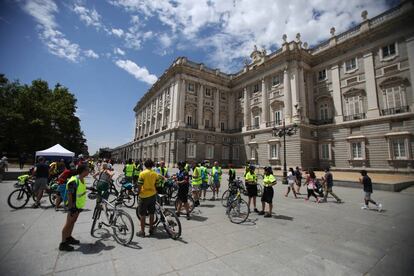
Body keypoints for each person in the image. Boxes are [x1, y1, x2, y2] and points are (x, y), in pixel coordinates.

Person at [59, 164, 89, 251]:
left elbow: (80, 190)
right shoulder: (74, 180)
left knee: (73, 222)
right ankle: (63, 243)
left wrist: (91, 188)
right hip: (73, 206)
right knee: (68, 223)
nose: (89, 172)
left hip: (78, 205)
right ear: (83, 171)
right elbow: (69, 194)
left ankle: (68, 237)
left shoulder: (81, 179)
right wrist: (71, 208)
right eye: (87, 170)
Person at [136, 159, 160, 237]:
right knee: (152, 213)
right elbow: (157, 185)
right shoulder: (155, 174)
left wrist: (138, 192)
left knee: (142, 215)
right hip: (152, 195)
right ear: (152, 165)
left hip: (143, 196)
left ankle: (142, 232)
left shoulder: (142, 173)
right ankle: (151, 229)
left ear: (145, 165)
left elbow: (139, 185)